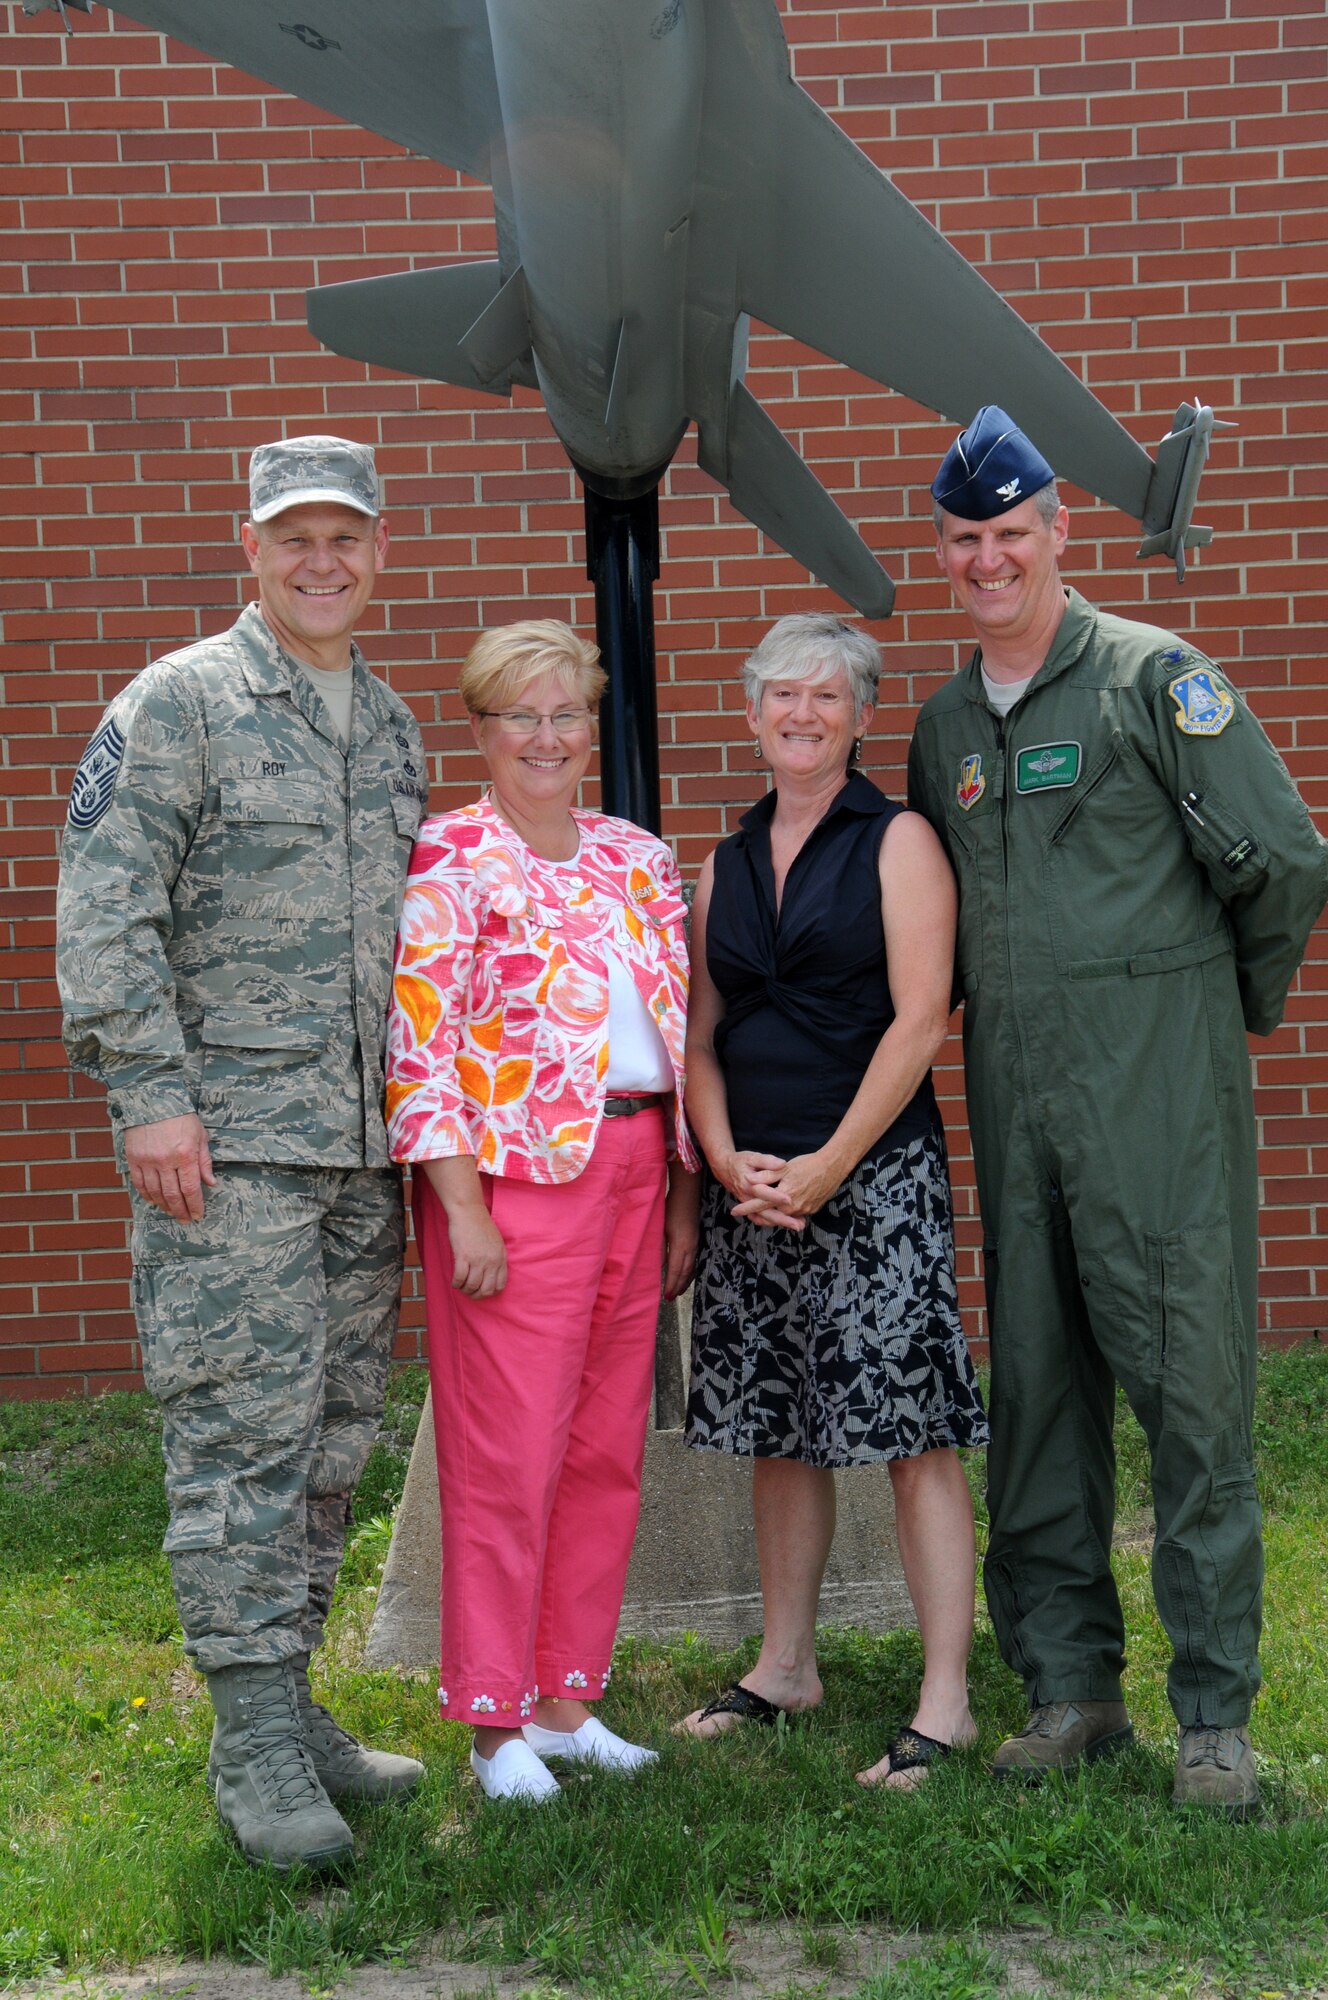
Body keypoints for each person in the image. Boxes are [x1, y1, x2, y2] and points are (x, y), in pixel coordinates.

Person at [908, 405, 1328, 1815]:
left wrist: (1214, 1020)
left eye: (1010, 533)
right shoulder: (948, 725)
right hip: (1017, 1104)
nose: (987, 560)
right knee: (1034, 1393)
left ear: (1056, 533)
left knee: (1192, 1398)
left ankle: (1212, 1712)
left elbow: (1280, 863)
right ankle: (1073, 1688)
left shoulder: (1158, 680)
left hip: (1158, 1100)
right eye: (965, 540)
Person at [55, 436, 428, 1870]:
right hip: (228, 1159)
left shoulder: (387, 726)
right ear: (252, 549)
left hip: (358, 1156)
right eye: (296, 539)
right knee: (239, 1441)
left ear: (379, 552)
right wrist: (149, 1093)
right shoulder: (183, 704)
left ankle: (296, 1703)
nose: (321, 562)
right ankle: (254, 1742)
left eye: (346, 537)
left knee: (332, 1441)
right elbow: (105, 909)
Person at [385, 618, 699, 1804]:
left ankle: (568, 1700)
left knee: (603, 1448)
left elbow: (670, 1035)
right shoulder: (450, 857)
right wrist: (460, 1208)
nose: (547, 735)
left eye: (567, 713)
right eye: (521, 713)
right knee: (504, 1455)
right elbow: (419, 1049)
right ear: (480, 727)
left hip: (632, 1165)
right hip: (512, 1183)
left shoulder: (634, 857)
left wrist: (676, 1194)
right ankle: (491, 1720)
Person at [676, 612, 989, 1789]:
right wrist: (722, 1158)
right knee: (776, 1425)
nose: (800, 715)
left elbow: (919, 1019)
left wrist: (829, 1165)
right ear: (751, 714)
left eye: (825, 697)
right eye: (779, 697)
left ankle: (946, 1698)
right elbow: (698, 1038)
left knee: (910, 1433)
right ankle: (784, 1663)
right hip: (752, 1189)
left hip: (874, 1181)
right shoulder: (724, 862)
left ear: (861, 715)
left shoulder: (898, 840)